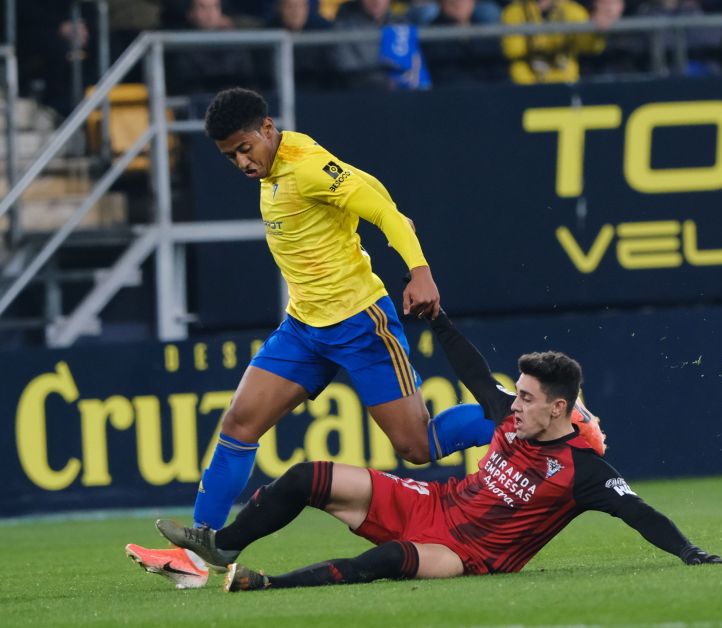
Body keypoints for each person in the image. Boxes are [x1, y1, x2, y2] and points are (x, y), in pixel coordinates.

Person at [125, 87, 508, 587]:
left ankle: (524, 420)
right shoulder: (272, 167)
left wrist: (420, 271)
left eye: (245, 148)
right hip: (304, 327)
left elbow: (384, 209)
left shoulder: (306, 165)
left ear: (267, 129)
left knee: (417, 445)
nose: (242, 162)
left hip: (358, 323)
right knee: (240, 423)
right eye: (230, 157)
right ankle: (202, 549)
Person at [140, 309, 722, 592]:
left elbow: (638, 510)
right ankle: (221, 548)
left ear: (558, 409)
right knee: (305, 476)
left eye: (525, 398)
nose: (512, 404)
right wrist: (440, 323)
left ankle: (265, 584)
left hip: (473, 552)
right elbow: (473, 371)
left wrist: (689, 552)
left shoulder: (584, 471)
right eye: (515, 394)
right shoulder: (508, 414)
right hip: (436, 502)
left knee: (390, 561)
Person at [499, 0, 607, 85]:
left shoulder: (572, 10)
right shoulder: (514, 11)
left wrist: (597, 30)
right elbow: (512, 50)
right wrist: (548, 40)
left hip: (565, 82)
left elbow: (589, 46)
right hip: (526, 84)